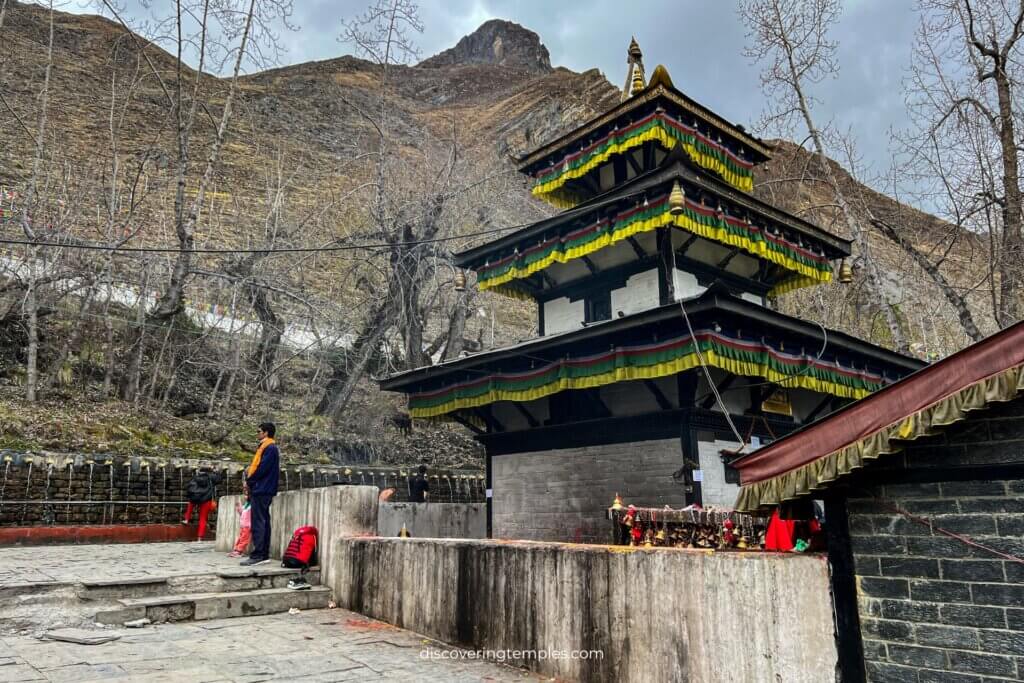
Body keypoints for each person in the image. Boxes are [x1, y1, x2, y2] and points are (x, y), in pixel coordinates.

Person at [241, 422, 280, 566]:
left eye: (259, 431)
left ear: (266, 433)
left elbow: (262, 468)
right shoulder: (268, 448)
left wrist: (250, 480)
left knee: (259, 522)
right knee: (263, 521)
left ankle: (259, 555)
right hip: (263, 488)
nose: (257, 434)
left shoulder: (270, 448)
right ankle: (263, 554)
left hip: (262, 489)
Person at [182, 467, 221, 541]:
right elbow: (219, 479)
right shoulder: (211, 477)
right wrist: (216, 472)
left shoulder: (196, 477)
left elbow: (189, 487)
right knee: (202, 519)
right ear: (209, 472)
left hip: (195, 497)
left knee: (191, 503)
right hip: (206, 499)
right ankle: (199, 538)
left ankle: (186, 519)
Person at [227, 486, 252, 558]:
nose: (245, 497)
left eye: (247, 495)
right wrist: (238, 507)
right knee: (240, 538)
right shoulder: (247, 505)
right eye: (245, 495)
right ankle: (236, 550)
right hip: (243, 525)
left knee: (244, 539)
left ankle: (239, 551)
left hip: (248, 526)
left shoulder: (252, 505)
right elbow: (242, 512)